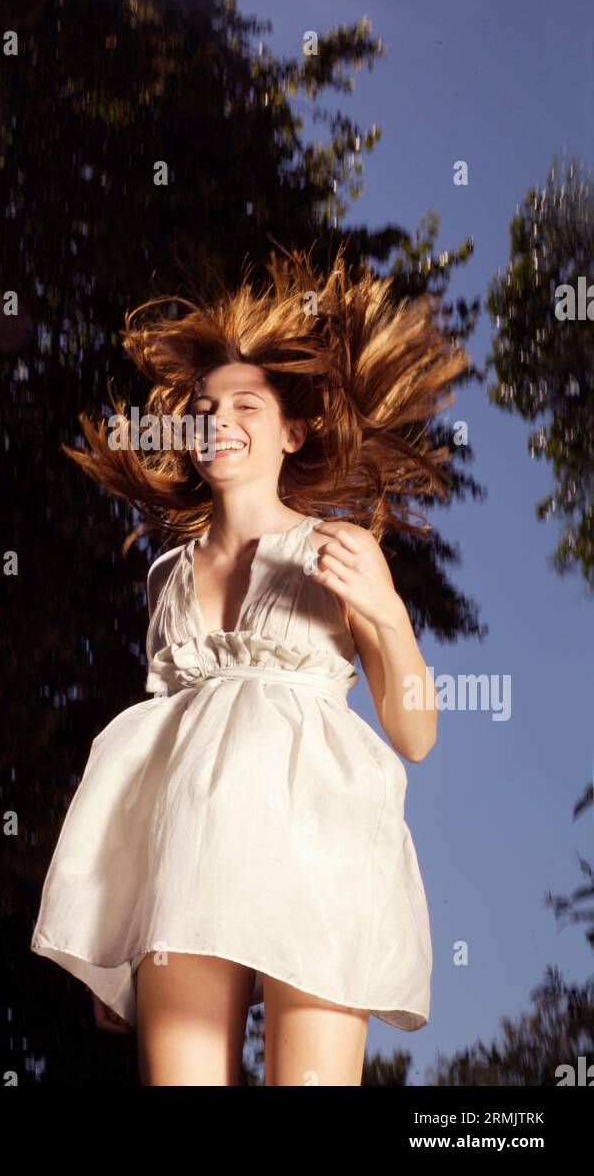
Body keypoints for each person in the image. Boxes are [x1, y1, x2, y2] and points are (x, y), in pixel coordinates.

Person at [30, 244, 469, 1085]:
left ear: (293, 429)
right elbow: (157, 745)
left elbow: (414, 733)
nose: (218, 419)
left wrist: (384, 609)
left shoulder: (338, 550)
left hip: (319, 847)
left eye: (245, 404)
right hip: (188, 858)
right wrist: (117, 907)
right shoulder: (168, 575)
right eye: (203, 407)